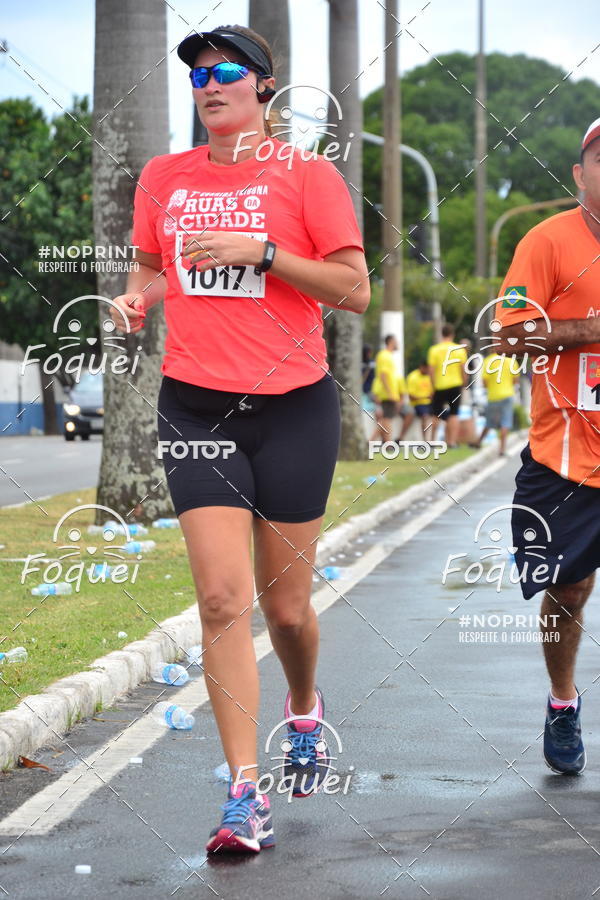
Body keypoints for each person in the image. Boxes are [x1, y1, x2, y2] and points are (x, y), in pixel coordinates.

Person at [109, 24, 369, 852]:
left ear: (263, 87)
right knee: (222, 600)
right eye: (195, 75)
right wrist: (135, 300)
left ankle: (303, 707)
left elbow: (354, 288)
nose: (208, 85)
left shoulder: (309, 175)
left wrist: (263, 252)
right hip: (193, 407)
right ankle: (243, 796)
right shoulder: (164, 176)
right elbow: (151, 263)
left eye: (224, 72)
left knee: (287, 609)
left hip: (294, 406)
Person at [495, 117, 600, 776]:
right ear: (580, 174)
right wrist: (591, 327)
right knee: (569, 591)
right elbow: (508, 336)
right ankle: (563, 703)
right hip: (566, 455)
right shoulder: (546, 241)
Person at [472, 352, 520, 455]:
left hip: (493, 396)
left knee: (489, 421)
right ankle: (502, 449)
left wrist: (492, 388)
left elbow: (484, 382)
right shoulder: (511, 360)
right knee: (505, 422)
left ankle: (478, 442)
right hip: (507, 395)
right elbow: (516, 380)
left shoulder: (488, 360)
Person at [427, 324, 468, 447]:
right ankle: (451, 442)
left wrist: (432, 385)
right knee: (454, 413)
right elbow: (463, 369)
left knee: (436, 414)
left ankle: (433, 440)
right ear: (452, 334)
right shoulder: (459, 349)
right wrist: (464, 383)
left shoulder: (434, 350)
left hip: (439, 385)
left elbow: (431, 370)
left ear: (441, 334)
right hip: (455, 385)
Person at [369, 335, 406, 442]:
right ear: (391, 342)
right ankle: (380, 443)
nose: (397, 344)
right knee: (386, 419)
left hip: (386, 392)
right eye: (396, 341)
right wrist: (390, 392)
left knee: (386, 418)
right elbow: (383, 375)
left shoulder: (386, 355)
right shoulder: (385, 356)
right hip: (386, 392)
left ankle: (385, 443)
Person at [404, 360, 433, 439]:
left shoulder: (430, 376)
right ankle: (425, 440)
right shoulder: (413, 377)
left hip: (431, 403)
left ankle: (436, 440)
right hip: (418, 404)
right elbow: (411, 397)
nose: (427, 370)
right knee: (425, 416)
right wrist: (425, 397)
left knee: (445, 413)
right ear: (422, 367)